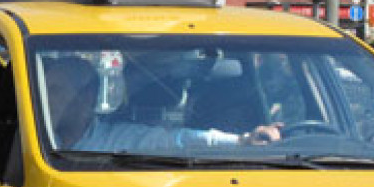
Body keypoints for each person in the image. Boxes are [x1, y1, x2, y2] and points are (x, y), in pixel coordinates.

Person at [42, 55, 280, 153]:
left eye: (55, 91)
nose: (45, 98)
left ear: (86, 98)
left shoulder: (113, 143)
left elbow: (179, 140)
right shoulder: (31, 138)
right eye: (45, 89)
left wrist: (241, 141)